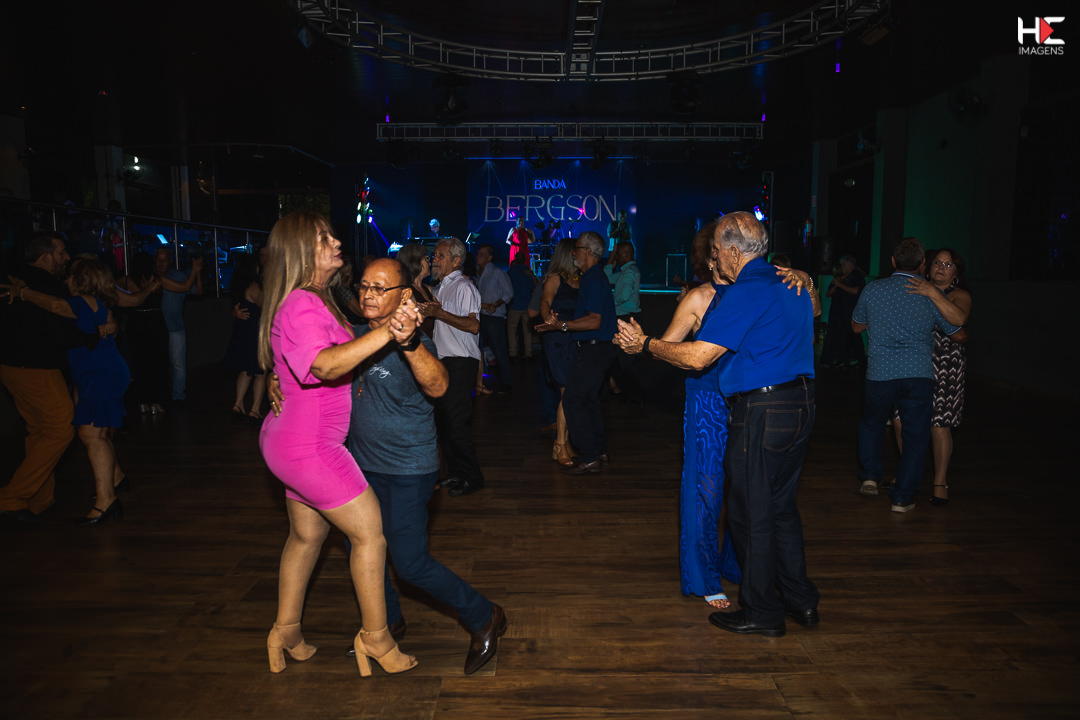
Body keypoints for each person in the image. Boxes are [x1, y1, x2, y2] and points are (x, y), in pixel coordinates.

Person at [615, 211, 820, 638]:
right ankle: (801, 600)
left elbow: (698, 357)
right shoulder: (791, 282)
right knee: (781, 509)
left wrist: (646, 344)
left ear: (732, 253)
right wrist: (806, 278)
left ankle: (762, 612)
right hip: (802, 403)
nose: (715, 259)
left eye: (718, 251)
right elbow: (814, 310)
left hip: (763, 409)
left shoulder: (748, 290)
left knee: (750, 515)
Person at [256, 212, 416, 676]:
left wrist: (275, 375)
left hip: (291, 440)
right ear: (301, 251)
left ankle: (285, 631)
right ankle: (377, 639)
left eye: (331, 234)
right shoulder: (303, 304)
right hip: (311, 447)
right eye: (324, 238)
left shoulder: (313, 299)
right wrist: (390, 331)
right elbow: (324, 365)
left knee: (307, 537)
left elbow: (295, 355)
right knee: (370, 535)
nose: (336, 241)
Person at [5, 257, 132, 524]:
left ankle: (106, 501)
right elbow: (109, 327)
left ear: (80, 280)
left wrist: (23, 292)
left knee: (92, 435)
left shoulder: (80, 302)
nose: (66, 280)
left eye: (71, 276)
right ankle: (115, 480)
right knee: (98, 433)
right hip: (98, 373)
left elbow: (54, 305)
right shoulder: (99, 303)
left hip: (98, 374)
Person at [851, 237, 963, 513]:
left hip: (880, 372)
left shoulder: (873, 289)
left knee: (872, 425)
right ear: (923, 263)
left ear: (892, 261)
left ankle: (870, 476)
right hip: (917, 375)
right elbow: (954, 328)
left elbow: (856, 327)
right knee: (915, 436)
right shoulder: (929, 294)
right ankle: (902, 498)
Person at [894, 248, 972, 507]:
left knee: (939, 424)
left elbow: (958, 319)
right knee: (900, 420)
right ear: (927, 265)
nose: (941, 268)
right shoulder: (914, 287)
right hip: (912, 361)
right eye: (937, 262)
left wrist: (932, 293)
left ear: (956, 272)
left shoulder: (960, 295)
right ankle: (907, 473)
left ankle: (940, 482)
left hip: (945, 364)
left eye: (948, 265)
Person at [542, 231, 616, 475]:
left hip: (594, 348)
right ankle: (598, 450)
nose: (574, 253)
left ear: (588, 252)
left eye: (578, 248)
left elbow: (595, 320)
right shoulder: (593, 277)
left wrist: (563, 326)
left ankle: (590, 456)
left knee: (573, 400)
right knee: (589, 400)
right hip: (598, 348)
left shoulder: (593, 278)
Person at [420, 237, 486, 497]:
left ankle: (473, 478)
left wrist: (439, 313)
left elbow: (474, 325)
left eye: (440, 255)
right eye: (434, 255)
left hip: (461, 361)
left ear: (456, 260)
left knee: (457, 423)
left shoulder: (464, 287)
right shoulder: (442, 287)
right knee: (446, 422)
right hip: (444, 360)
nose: (434, 259)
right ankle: (456, 473)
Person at [534, 238, 580, 466]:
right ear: (569, 253)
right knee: (567, 391)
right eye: (577, 251)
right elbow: (545, 302)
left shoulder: (579, 278)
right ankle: (559, 444)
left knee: (571, 392)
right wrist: (548, 319)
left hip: (574, 337)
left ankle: (565, 442)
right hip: (557, 339)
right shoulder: (555, 277)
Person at [155, 247, 203, 404]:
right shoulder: (152, 277)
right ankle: (160, 396)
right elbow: (186, 287)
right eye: (159, 260)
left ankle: (178, 396)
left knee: (178, 365)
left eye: (164, 260)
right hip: (157, 329)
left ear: (170, 261)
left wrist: (197, 272)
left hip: (175, 328)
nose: (161, 263)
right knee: (158, 364)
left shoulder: (179, 276)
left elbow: (197, 291)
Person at [223, 254, 265, 424]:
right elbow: (266, 305)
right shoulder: (253, 287)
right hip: (254, 333)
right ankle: (255, 410)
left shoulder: (237, 287)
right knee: (260, 371)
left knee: (246, 370)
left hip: (243, 332)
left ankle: (238, 404)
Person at [475, 244, 513, 393]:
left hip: (495, 317)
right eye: (478, 254)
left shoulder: (497, 272)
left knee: (499, 350)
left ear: (490, 257)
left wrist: (496, 304)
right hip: (480, 316)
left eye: (482, 254)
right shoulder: (477, 273)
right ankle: (481, 381)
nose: (478, 257)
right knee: (478, 350)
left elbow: (508, 293)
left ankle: (507, 383)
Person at [820, 255, 866, 367]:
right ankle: (836, 359)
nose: (843, 267)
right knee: (836, 334)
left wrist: (839, 284)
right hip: (837, 310)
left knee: (850, 335)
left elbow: (856, 291)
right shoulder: (840, 276)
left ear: (851, 264)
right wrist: (836, 284)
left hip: (849, 310)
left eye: (845, 265)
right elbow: (828, 293)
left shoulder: (857, 275)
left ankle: (851, 359)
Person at [506, 253, 537, 359]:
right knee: (527, 331)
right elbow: (534, 287)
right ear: (524, 260)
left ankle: (512, 353)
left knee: (512, 331)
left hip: (514, 305)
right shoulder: (527, 272)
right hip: (527, 305)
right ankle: (528, 353)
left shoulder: (510, 272)